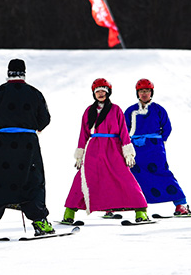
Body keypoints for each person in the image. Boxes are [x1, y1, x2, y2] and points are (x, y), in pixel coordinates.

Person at [0, 59, 54, 237]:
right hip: (28, 144)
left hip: (3, 143)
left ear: (8, 72)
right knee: (33, 180)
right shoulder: (35, 93)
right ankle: (40, 222)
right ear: (24, 72)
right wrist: (35, 129)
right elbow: (45, 118)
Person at [61, 78, 148, 225]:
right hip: (93, 149)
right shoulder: (89, 111)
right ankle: (69, 212)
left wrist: (128, 152)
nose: (100, 94)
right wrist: (80, 154)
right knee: (83, 179)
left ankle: (141, 211)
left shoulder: (116, 110)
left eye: (103, 91)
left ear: (108, 93)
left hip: (113, 149)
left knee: (124, 177)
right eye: (97, 91)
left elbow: (124, 132)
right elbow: (83, 133)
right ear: (94, 94)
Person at [123, 78, 191, 216]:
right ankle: (136, 205)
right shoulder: (130, 110)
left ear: (151, 92)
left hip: (155, 149)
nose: (144, 94)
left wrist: (161, 142)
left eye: (147, 91)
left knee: (163, 173)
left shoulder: (158, 109)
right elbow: (123, 129)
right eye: (141, 91)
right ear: (137, 93)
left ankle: (181, 204)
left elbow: (167, 127)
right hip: (136, 150)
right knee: (135, 176)